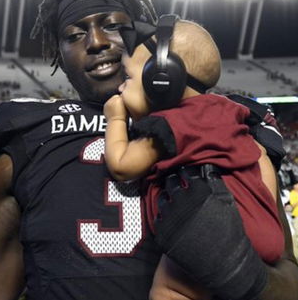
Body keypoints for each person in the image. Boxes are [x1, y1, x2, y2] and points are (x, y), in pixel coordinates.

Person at [0, 0, 298, 300]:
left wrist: (241, 274)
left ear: (151, 43)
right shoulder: (23, 138)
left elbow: (290, 282)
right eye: (74, 34)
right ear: (58, 54)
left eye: (112, 25)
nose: (95, 42)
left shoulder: (228, 127)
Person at [103, 18, 284, 299]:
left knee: (165, 290)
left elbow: (122, 166)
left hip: (214, 235)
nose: (120, 89)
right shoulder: (226, 113)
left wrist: (115, 117)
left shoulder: (175, 123)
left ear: (162, 79)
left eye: (127, 78)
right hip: (263, 236)